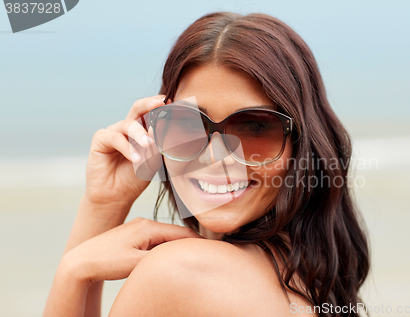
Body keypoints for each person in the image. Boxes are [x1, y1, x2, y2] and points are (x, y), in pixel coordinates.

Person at [43, 11, 370, 317]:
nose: (215, 157)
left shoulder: (180, 271)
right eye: (189, 123)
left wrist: (73, 272)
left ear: (301, 144)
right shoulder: (306, 281)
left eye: (254, 127)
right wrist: (107, 203)